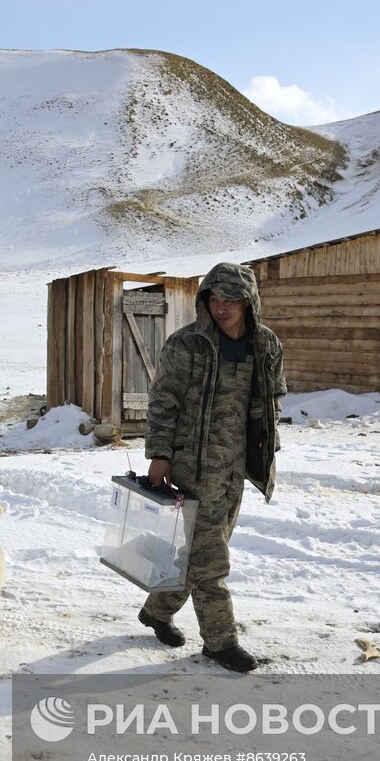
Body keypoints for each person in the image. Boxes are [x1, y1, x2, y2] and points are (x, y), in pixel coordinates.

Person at [137, 262, 285, 672]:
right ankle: (220, 642)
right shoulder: (187, 344)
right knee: (210, 561)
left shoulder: (266, 344)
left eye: (230, 300)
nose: (221, 308)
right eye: (214, 299)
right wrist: (159, 455)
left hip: (236, 467)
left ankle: (156, 612)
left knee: (195, 554)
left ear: (248, 301)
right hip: (190, 465)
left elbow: (276, 394)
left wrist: (265, 441)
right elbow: (163, 402)